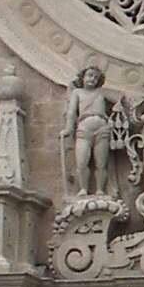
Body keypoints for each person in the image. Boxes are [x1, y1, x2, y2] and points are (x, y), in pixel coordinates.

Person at [60, 65, 115, 198]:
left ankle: (100, 190)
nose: (93, 79)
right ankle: (83, 189)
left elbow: (121, 100)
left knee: (101, 163)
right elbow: (72, 112)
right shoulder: (77, 93)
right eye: (90, 75)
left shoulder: (102, 93)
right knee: (82, 162)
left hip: (102, 128)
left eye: (96, 77)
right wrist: (69, 128)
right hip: (84, 127)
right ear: (83, 77)